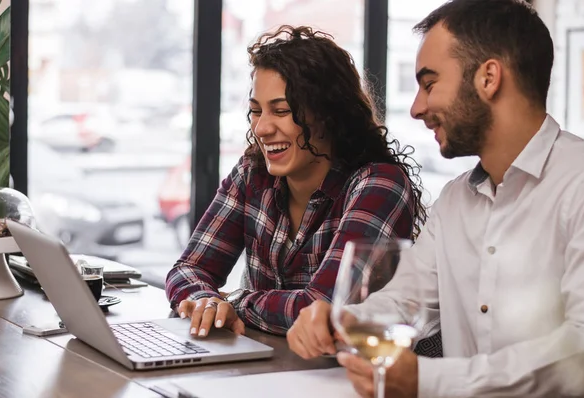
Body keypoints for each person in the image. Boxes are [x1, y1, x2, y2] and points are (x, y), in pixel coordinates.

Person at [287, 1, 584, 397]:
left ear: (489, 78)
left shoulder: (579, 185)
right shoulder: (454, 200)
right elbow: (404, 300)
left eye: (429, 84)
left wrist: (427, 382)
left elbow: (580, 355)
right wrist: (338, 321)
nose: (416, 108)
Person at [165, 25, 426, 338]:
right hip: (268, 370)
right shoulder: (253, 174)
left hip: (348, 378)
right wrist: (203, 300)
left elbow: (325, 308)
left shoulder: (379, 184)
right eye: (256, 111)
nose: (261, 128)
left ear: (329, 114)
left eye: (282, 111)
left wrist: (236, 302)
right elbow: (188, 269)